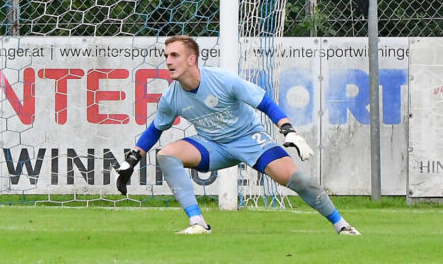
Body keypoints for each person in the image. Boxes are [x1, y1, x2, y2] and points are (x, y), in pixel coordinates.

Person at [115, 35, 360, 235]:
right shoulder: (171, 97)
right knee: (167, 155)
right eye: (166, 56)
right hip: (212, 146)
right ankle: (198, 223)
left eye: (174, 55)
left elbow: (265, 103)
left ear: (191, 59)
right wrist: (133, 159)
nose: (168, 61)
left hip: (249, 139)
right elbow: (155, 129)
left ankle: (342, 226)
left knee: (299, 180)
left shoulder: (222, 80)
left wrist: (288, 130)